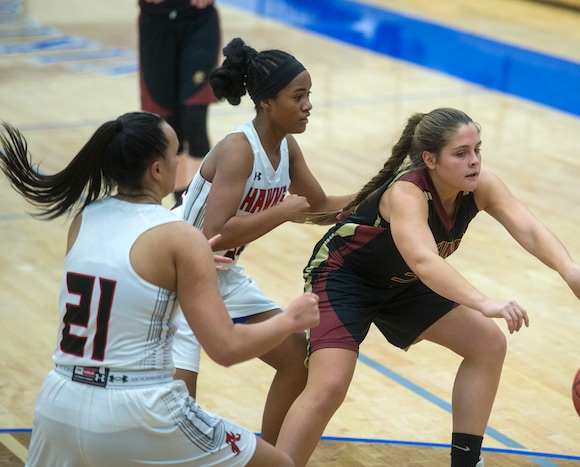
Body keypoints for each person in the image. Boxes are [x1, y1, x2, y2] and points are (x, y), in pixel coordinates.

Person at [274, 107, 580, 467]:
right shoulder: (407, 194)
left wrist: (570, 271)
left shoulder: (481, 186)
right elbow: (425, 261)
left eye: (477, 149)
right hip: (344, 278)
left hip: (402, 282)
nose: (473, 161)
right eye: (461, 153)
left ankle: (466, 462)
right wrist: (483, 302)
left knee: (487, 344)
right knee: (329, 386)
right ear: (430, 159)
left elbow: (530, 228)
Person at [0, 112, 319, 466]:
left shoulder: (84, 218)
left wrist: (180, 269)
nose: (178, 160)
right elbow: (226, 349)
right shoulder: (179, 237)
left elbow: (124, 280)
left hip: (58, 402)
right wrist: (290, 319)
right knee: (281, 465)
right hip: (136, 408)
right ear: (156, 170)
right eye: (173, 153)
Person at [172, 36, 355, 444]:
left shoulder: (286, 147)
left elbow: (319, 205)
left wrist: (383, 193)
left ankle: (271, 457)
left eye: (309, 95)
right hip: (177, 274)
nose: (309, 105)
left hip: (220, 272)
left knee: (296, 357)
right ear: (268, 103)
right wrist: (281, 212)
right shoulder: (239, 150)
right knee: (177, 408)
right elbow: (213, 233)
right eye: (299, 96)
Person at [138, 0, 220, 206]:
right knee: (170, 126)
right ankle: (182, 205)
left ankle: (205, 202)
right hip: (156, 21)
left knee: (194, 118)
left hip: (197, 19)